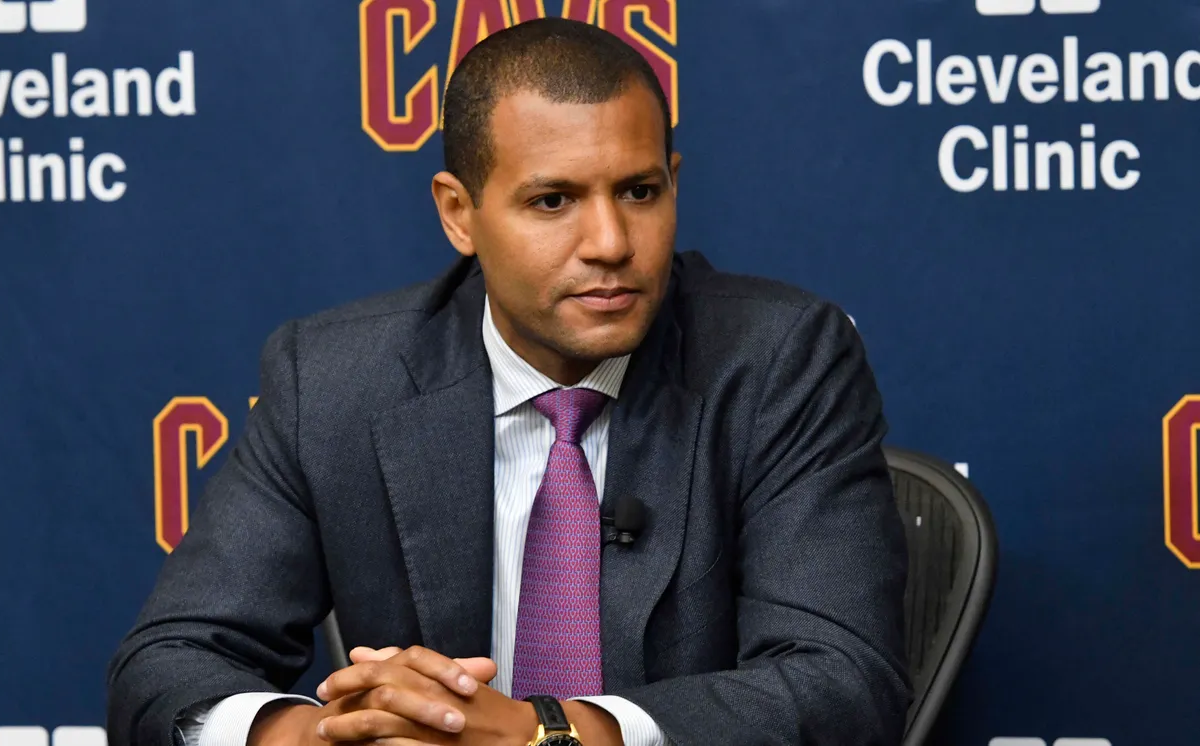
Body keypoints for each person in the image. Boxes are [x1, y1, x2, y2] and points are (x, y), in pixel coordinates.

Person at [107, 17, 910, 746]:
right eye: (553, 200)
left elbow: (843, 683)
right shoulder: (331, 379)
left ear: (673, 181)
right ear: (459, 213)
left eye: (639, 192)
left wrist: (545, 735)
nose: (610, 242)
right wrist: (324, 737)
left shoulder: (780, 359)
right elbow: (168, 666)